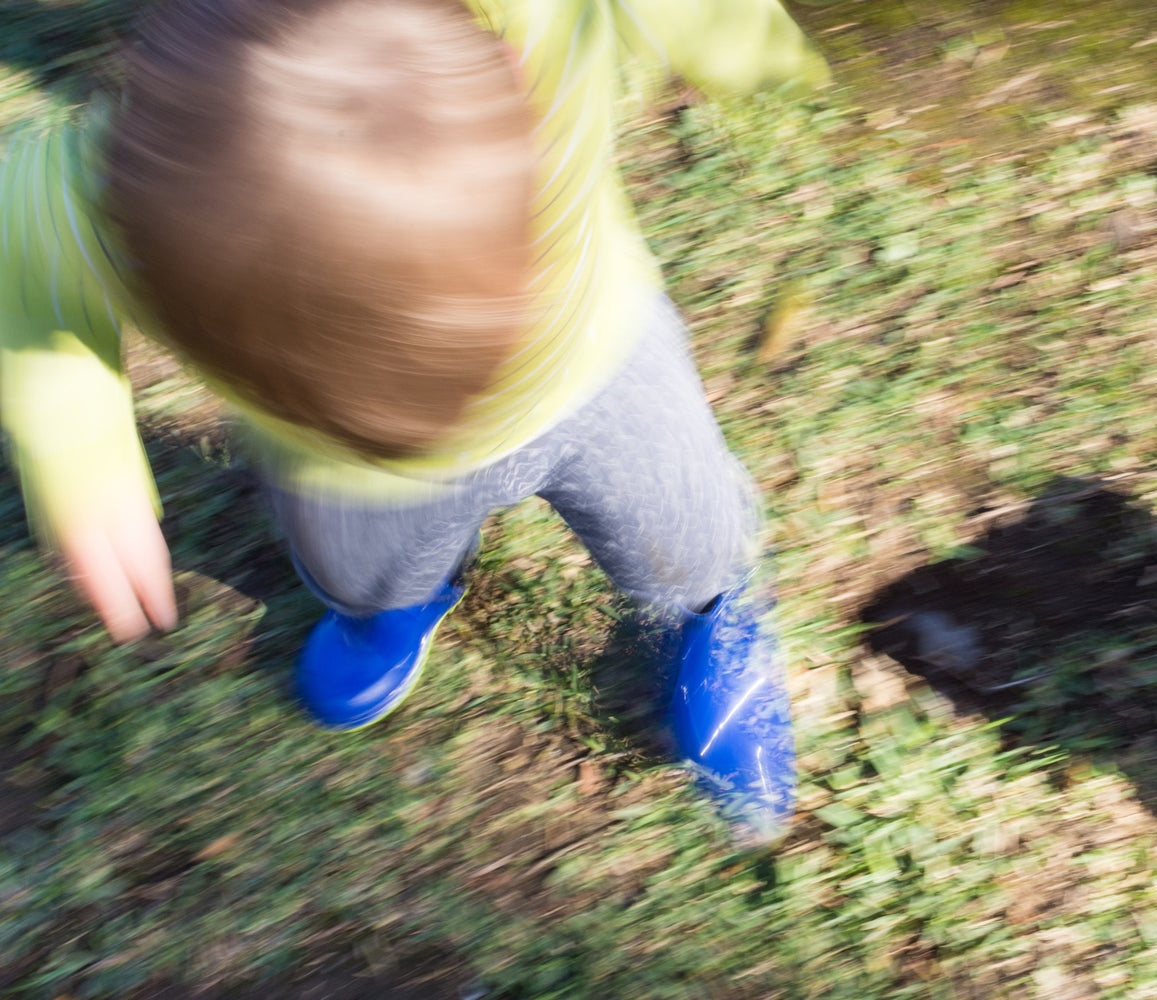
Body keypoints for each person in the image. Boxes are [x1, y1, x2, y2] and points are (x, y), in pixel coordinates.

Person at [0, 0, 828, 843]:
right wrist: (77, 452)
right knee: (364, 562)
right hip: (349, 472)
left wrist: (736, 37)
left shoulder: (541, 21)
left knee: (685, 528)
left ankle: (713, 612)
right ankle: (389, 608)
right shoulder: (126, 193)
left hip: (602, 361)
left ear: (515, 94)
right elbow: (18, 268)